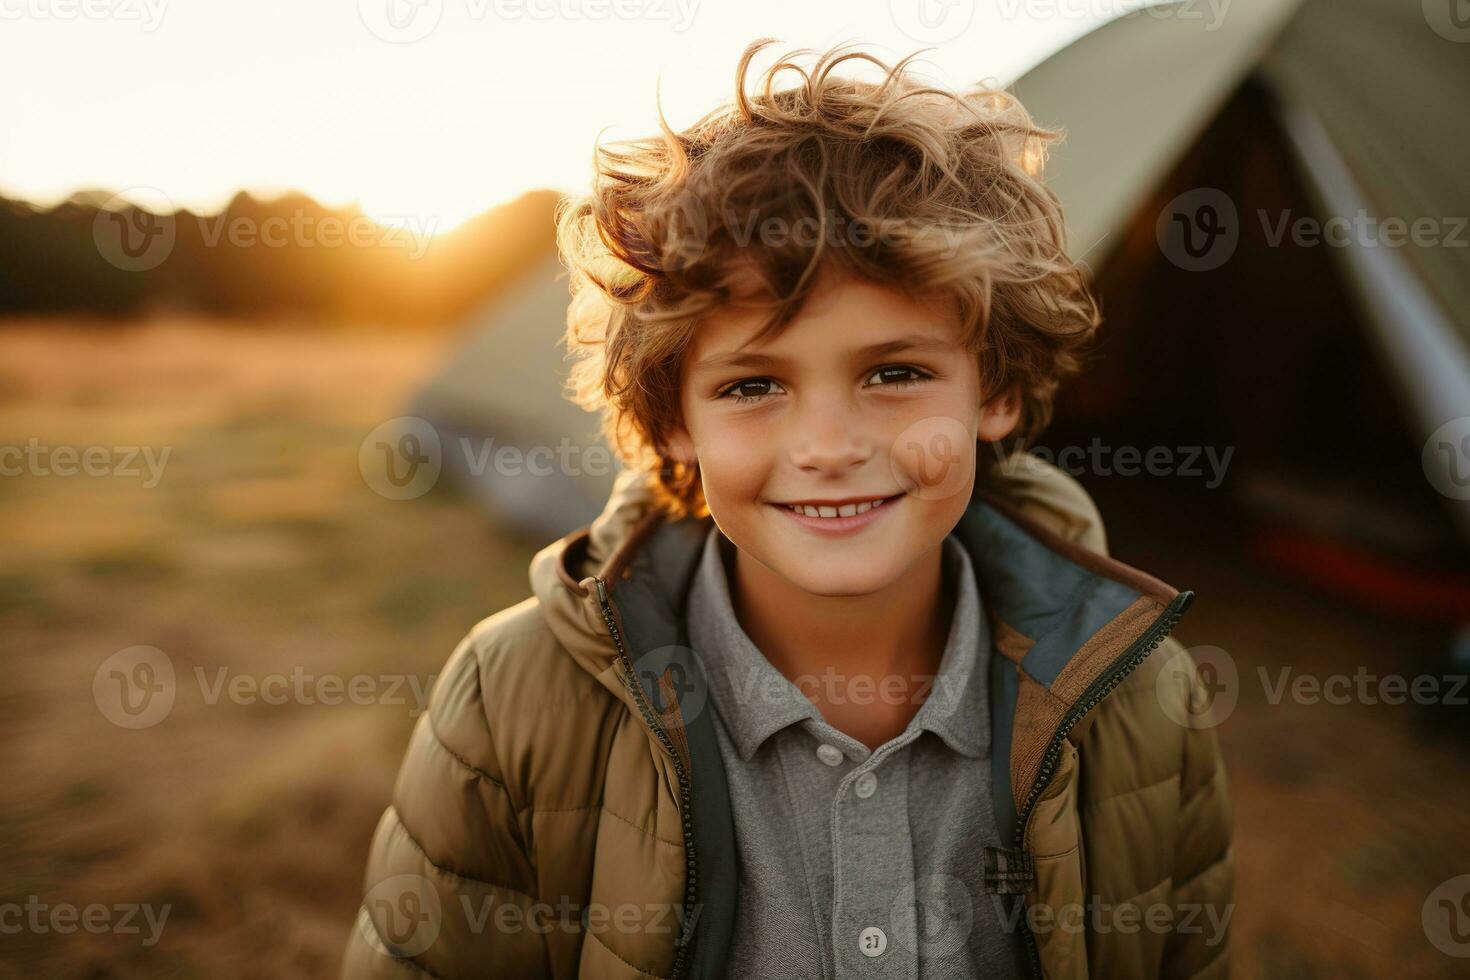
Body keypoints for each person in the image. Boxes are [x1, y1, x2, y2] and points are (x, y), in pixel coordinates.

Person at [342, 38, 1233, 979]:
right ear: (672, 418)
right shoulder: (510, 699)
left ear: (997, 388)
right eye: (754, 385)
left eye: (895, 372)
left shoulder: (1148, 702)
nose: (828, 446)